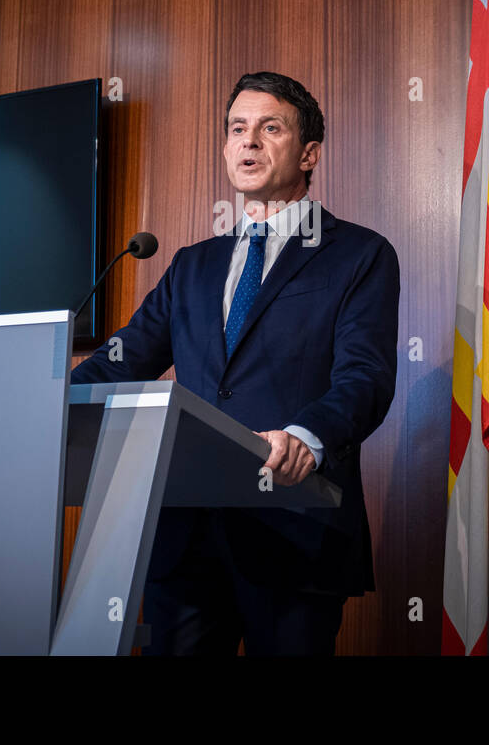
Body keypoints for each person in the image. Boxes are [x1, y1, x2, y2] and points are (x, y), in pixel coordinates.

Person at [71, 70, 399, 655]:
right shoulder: (191, 265)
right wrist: (47, 397)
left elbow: (365, 377)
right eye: (237, 128)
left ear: (309, 154)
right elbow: (122, 360)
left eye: (270, 128)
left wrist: (306, 436)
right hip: (186, 537)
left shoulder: (359, 254)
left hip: (295, 529)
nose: (248, 142)